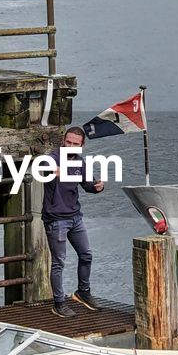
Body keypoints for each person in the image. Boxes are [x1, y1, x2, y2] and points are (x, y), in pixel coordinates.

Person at [42, 126, 104, 318]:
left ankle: (83, 292)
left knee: (86, 254)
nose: (70, 146)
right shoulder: (53, 158)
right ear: (63, 142)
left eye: (75, 144)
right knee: (59, 262)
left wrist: (98, 187)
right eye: (68, 142)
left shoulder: (79, 162)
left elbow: (87, 184)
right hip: (56, 219)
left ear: (81, 146)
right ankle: (59, 303)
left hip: (75, 217)